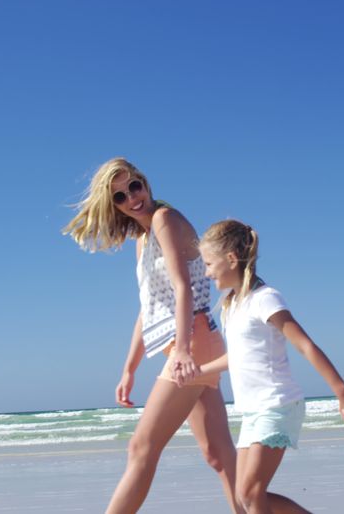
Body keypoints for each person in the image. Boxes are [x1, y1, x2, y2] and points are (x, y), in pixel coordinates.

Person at [62, 158, 241, 513]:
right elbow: (149, 308)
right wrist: (129, 369)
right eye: (120, 196)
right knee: (218, 456)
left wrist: (184, 351)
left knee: (141, 447)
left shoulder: (165, 219)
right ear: (113, 206)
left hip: (193, 343)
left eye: (134, 187)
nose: (132, 198)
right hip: (192, 344)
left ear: (144, 183)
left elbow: (183, 287)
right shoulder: (143, 239)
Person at [184, 219, 344, 514]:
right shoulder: (232, 305)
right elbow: (239, 356)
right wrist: (200, 370)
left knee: (250, 492)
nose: (206, 272)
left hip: (277, 404)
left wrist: (343, 393)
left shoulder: (265, 298)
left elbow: (305, 344)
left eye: (208, 263)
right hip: (253, 411)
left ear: (231, 259)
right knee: (244, 496)